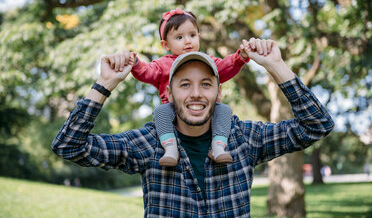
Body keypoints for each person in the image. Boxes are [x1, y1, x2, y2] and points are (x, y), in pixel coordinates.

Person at [51, 38, 334, 217]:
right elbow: (68, 146)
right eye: (185, 84)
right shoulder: (148, 144)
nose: (196, 94)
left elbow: (317, 125)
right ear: (169, 94)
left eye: (206, 84)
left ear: (218, 94)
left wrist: (276, 66)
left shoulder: (244, 139)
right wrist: (105, 85)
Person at [130, 8, 250, 166]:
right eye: (179, 37)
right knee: (160, 112)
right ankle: (171, 149)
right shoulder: (162, 64)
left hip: (204, 111)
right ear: (165, 44)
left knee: (224, 110)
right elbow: (146, 72)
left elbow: (225, 66)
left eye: (192, 35)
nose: (187, 41)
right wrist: (135, 63)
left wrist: (239, 58)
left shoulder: (207, 61)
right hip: (173, 110)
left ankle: (218, 147)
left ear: (199, 37)